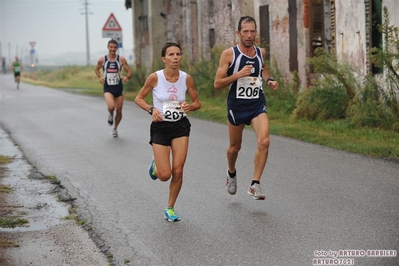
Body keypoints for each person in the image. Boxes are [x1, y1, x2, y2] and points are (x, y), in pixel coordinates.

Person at [214, 16, 279, 200]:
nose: (249, 35)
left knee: (264, 141)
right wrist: (238, 75)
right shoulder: (229, 54)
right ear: (238, 33)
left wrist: (269, 79)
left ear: (256, 32)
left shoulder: (261, 52)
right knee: (235, 148)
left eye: (252, 31)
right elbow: (217, 84)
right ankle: (231, 173)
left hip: (257, 104)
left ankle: (254, 184)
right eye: (245, 32)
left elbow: (263, 68)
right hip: (237, 106)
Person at [135, 42, 201, 221]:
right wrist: (151, 110)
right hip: (161, 127)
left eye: (178, 54)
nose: (175, 58)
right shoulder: (155, 78)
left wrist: (190, 106)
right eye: (171, 55)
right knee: (165, 175)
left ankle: (170, 208)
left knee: (178, 170)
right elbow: (138, 98)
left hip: (180, 126)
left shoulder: (186, 78)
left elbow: (197, 102)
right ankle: (156, 166)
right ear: (164, 59)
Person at [94, 39, 132, 138]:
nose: (113, 49)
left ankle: (115, 128)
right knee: (111, 107)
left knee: (119, 111)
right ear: (108, 47)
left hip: (118, 87)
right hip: (108, 87)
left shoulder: (121, 59)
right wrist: (100, 77)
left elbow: (129, 72)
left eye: (115, 47)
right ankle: (110, 113)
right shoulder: (103, 59)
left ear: (117, 48)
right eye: (111, 47)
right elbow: (96, 69)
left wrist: (127, 77)